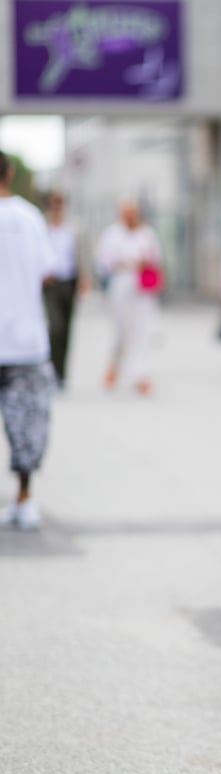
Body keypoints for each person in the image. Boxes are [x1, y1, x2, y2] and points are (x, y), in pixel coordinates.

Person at [0, 151, 56, 530]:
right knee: (27, 424)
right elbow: (47, 271)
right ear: (11, 173)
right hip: (25, 340)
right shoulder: (28, 217)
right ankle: (23, 498)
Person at [94, 200, 163, 395]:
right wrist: (125, 263)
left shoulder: (147, 234)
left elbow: (156, 260)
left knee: (143, 330)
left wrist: (144, 263)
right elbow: (103, 263)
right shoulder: (111, 235)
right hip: (121, 288)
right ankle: (114, 366)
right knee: (122, 331)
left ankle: (141, 375)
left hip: (142, 289)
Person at [42, 189, 89, 388]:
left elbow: (81, 254)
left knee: (66, 329)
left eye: (60, 202)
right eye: (54, 202)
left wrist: (84, 278)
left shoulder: (73, 227)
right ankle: (51, 370)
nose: (57, 206)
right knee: (55, 327)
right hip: (50, 283)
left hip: (69, 281)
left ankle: (61, 374)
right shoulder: (42, 226)